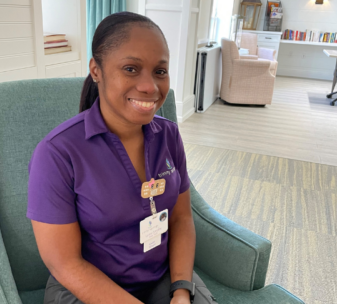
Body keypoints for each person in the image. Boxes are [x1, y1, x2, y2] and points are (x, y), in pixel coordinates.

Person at [27, 12, 217, 304]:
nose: (150, 87)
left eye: (160, 71)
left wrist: (181, 290)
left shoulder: (169, 136)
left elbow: (181, 219)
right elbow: (64, 263)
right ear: (96, 70)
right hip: (86, 288)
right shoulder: (58, 153)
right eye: (131, 68)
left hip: (160, 277)